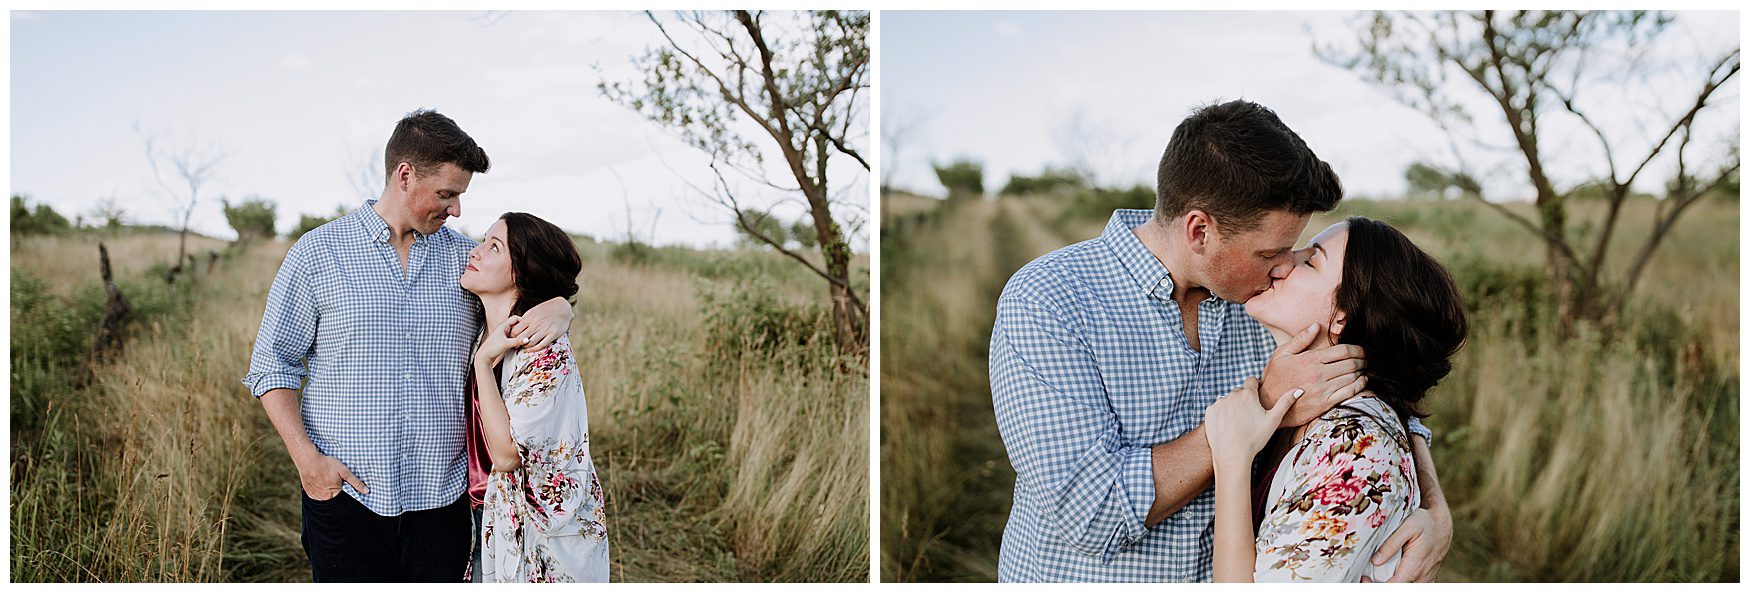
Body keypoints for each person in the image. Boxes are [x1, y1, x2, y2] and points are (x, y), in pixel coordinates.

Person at [989, 100, 1451, 582]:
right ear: (1199, 231)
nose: (1284, 266)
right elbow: (1092, 514)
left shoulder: (1262, 303)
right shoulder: (1047, 302)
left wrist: (1433, 504)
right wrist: (1266, 405)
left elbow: (1375, 373)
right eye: (1269, 251)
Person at [242, 109, 575, 582]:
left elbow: (527, 302)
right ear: (404, 176)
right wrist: (308, 463)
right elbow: (271, 365)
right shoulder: (319, 253)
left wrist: (561, 305)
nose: (456, 209)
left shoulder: (467, 262)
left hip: (444, 503)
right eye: (446, 193)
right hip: (346, 499)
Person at [1205, 217, 1466, 582]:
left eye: (1310, 261)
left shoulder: (1354, 449)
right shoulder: (1325, 415)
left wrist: (1231, 461)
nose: (1282, 263)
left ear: (1341, 317)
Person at [462, 212, 610, 583]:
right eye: (483, 240)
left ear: (522, 273)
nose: (475, 252)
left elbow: (508, 455)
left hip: (535, 532)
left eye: (493, 247)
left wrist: (483, 365)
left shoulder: (544, 352)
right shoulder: (478, 329)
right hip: (475, 515)